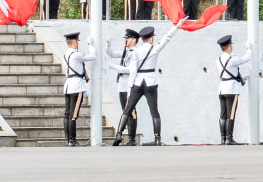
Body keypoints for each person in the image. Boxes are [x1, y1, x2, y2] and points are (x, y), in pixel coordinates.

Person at [113, 18, 187, 146]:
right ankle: (157, 138)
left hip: (137, 82)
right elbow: (167, 37)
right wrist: (177, 25)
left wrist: (130, 87)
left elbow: (133, 70)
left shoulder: (136, 51)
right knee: (154, 110)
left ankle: (119, 133)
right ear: (151, 38)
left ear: (142, 39)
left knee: (128, 108)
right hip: (151, 82)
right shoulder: (155, 48)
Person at [106, 29, 141, 146]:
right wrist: (108, 44)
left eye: (127, 38)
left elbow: (130, 69)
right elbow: (111, 54)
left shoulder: (136, 52)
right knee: (125, 111)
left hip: (129, 85)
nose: (125, 40)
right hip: (122, 85)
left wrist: (114, 67)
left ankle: (131, 138)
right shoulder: (126, 51)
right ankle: (127, 137)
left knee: (131, 111)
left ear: (134, 40)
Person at [61, 32, 96, 147]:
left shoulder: (65, 55)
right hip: (77, 86)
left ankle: (67, 139)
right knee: (73, 114)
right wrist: (90, 44)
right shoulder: (76, 55)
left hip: (68, 86)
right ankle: (72, 140)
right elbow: (93, 56)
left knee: (67, 114)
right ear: (75, 42)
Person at [215, 35, 251, 145]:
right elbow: (246, 58)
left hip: (222, 88)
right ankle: (229, 138)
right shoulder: (232, 59)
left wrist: (243, 77)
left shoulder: (218, 60)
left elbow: (228, 74)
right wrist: (249, 48)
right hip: (231, 89)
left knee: (223, 114)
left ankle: (223, 138)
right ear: (229, 46)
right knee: (231, 114)